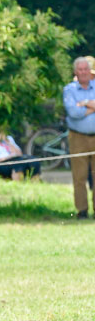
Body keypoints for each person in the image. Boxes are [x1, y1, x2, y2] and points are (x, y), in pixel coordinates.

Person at [63, 56, 95, 219]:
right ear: (75, 72)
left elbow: (78, 109)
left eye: (86, 69)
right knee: (79, 176)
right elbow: (73, 113)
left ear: (90, 72)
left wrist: (84, 102)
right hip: (78, 137)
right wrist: (92, 107)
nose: (83, 72)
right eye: (80, 70)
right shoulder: (70, 89)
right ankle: (82, 210)